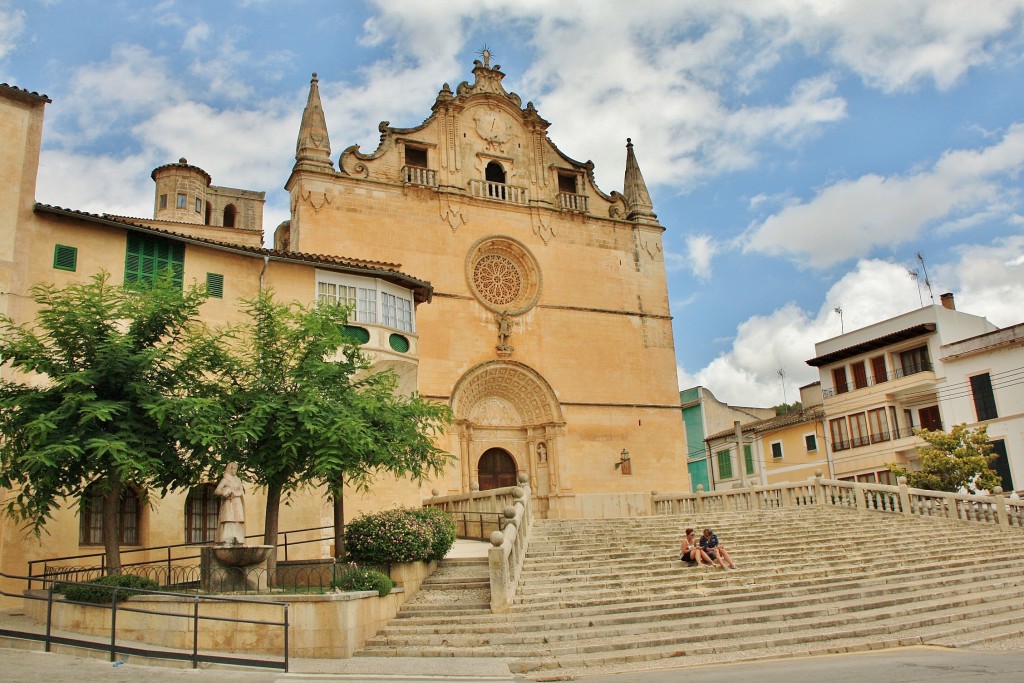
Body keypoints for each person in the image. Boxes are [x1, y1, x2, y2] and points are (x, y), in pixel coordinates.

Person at [214, 462, 246, 545]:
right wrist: (224, 493)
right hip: (228, 502)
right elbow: (217, 490)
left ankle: (239, 539)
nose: (235, 470)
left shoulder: (238, 479)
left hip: (237, 501)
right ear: (230, 469)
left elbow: (241, 490)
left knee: (238, 520)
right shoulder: (225, 479)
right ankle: (227, 539)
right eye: (234, 468)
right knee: (228, 519)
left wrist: (235, 493)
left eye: (236, 469)